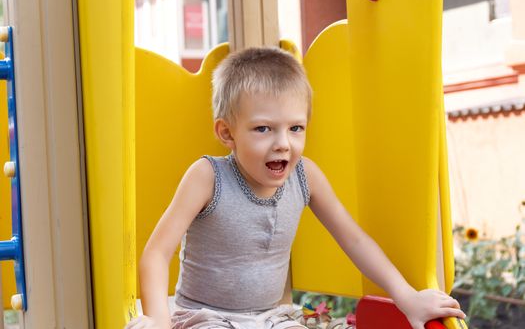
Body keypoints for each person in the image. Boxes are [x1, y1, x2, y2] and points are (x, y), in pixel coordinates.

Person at [125, 47, 465, 329]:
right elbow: (156, 254)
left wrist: (407, 297)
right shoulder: (208, 177)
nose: (283, 144)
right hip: (207, 317)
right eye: (263, 129)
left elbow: (354, 239)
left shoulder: (305, 176)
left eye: (296, 128)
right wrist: (158, 320)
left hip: (272, 318)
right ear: (227, 133)